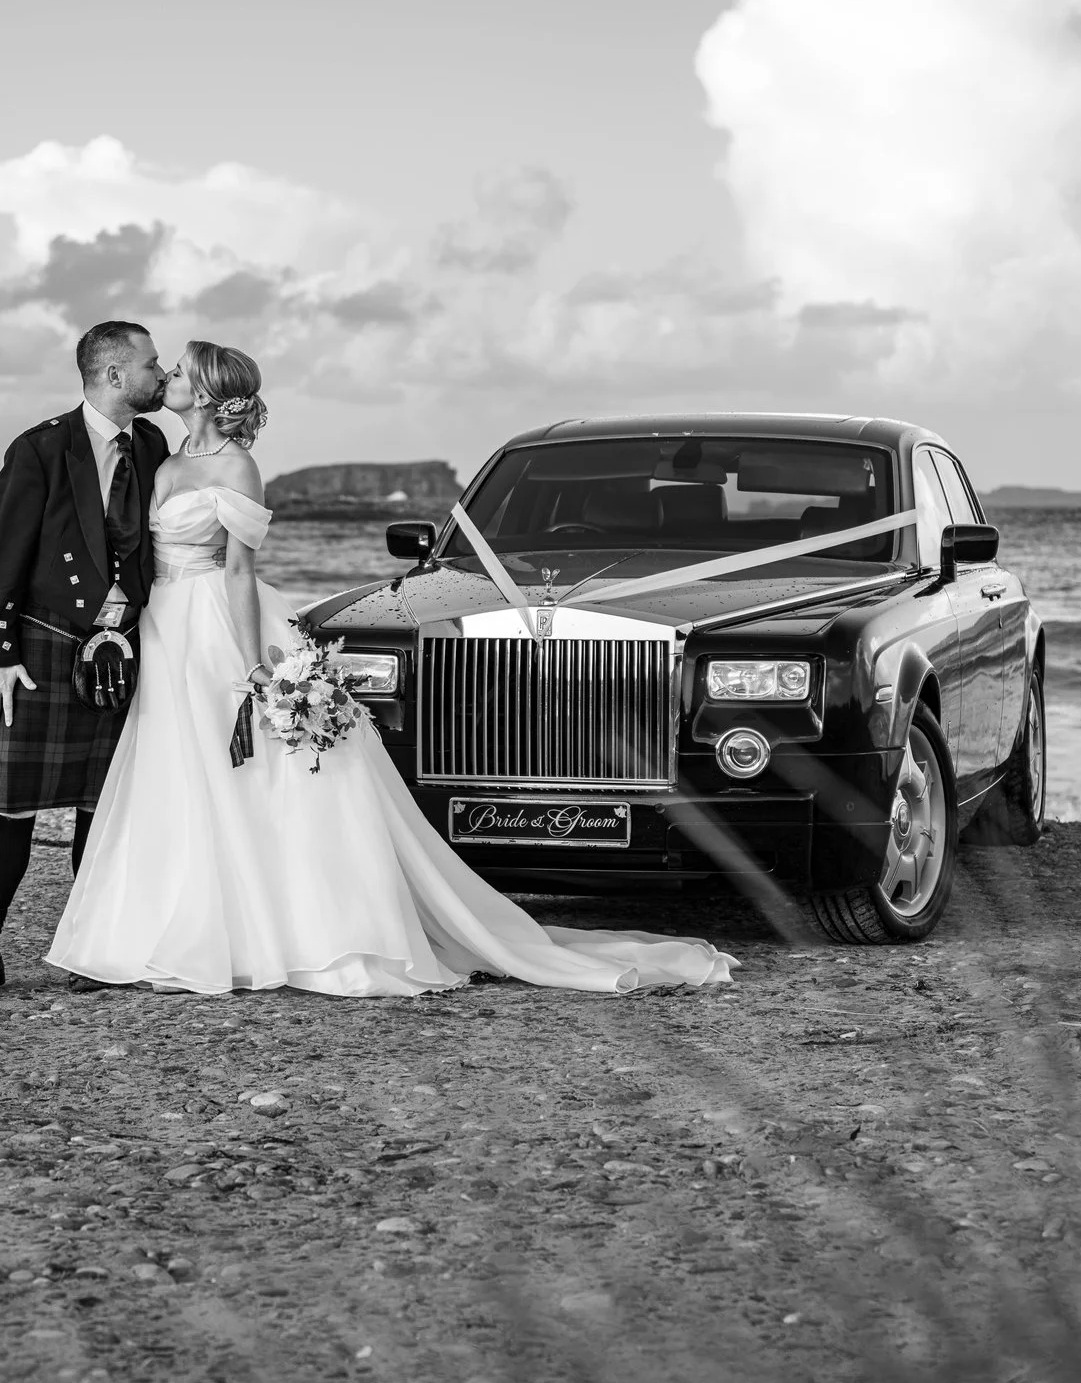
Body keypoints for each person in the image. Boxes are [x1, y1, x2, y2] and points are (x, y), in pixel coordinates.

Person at [45, 341, 737, 996]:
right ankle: (168, 927)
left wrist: (254, 664)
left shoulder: (235, 467)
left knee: (246, 777)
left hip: (216, 626)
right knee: (174, 774)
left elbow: (237, 572)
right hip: (163, 626)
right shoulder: (161, 458)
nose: (164, 376)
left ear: (204, 391)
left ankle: (281, 935)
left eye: (177, 371)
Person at [0, 320, 172, 1000]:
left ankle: (89, 947)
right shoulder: (41, 448)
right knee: (10, 805)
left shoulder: (155, 444)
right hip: (45, 645)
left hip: (122, 647)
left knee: (101, 807)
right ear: (112, 375)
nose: (160, 376)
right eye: (151, 365)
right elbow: (0, 555)